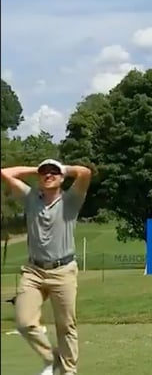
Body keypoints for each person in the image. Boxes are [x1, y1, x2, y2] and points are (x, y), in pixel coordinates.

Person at [0, 159, 92, 375]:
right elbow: (4, 173)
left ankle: (69, 372)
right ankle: (52, 358)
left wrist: (63, 169)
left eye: (53, 173)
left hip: (63, 271)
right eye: (44, 173)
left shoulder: (71, 200)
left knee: (66, 326)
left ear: (61, 178)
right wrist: (36, 169)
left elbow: (85, 173)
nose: (48, 175)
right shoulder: (31, 197)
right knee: (24, 322)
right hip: (33, 271)